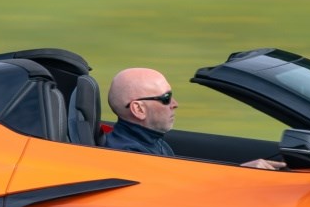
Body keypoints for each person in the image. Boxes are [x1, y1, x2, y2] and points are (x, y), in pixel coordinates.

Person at [104, 67, 279, 168]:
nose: (175, 103)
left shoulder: (149, 142)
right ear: (138, 109)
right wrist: (243, 174)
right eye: (166, 98)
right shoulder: (131, 157)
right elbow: (176, 197)